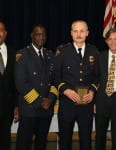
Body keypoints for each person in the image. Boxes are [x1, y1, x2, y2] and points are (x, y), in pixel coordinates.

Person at [54, 20, 100, 150]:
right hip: (67, 103)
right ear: (71, 33)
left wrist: (92, 91)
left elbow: (98, 76)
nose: (78, 34)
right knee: (65, 140)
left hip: (86, 104)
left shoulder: (94, 51)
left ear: (87, 33)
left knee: (86, 140)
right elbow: (55, 77)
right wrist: (65, 90)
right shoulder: (62, 51)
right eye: (75, 31)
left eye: (81, 31)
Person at [15, 24, 58, 150]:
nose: (41, 37)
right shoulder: (22, 55)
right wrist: (40, 101)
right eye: (38, 34)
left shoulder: (50, 55)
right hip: (30, 109)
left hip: (46, 110)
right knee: (24, 144)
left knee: (41, 143)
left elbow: (55, 81)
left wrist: (50, 99)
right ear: (32, 36)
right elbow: (21, 83)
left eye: (43, 34)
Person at [0, 21, 17, 150]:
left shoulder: (15, 54)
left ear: (5, 33)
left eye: (0, 30)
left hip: (8, 108)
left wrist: (17, 105)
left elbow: (17, 82)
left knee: (5, 141)